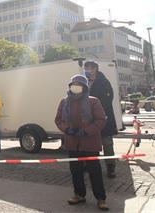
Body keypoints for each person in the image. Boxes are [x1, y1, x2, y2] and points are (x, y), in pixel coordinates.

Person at [55, 74, 108, 211]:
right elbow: (59, 119)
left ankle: (101, 198)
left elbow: (101, 120)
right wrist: (67, 129)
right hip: (72, 142)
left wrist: (87, 131)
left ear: (84, 87)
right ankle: (79, 194)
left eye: (79, 85)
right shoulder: (64, 101)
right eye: (74, 84)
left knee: (94, 171)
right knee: (75, 171)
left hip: (90, 143)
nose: (76, 87)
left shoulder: (93, 101)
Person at [84, 60, 117, 178]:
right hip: (89, 120)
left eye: (92, 68)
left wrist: (97, 111)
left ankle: (110, 168)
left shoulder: (104, 81)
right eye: (87, 68)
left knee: (107, 143)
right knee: (91, 144)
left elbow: (108, 99)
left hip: (104, 118)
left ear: (96, 69)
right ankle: (91, 166)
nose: (89, 70)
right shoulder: (84, 82)